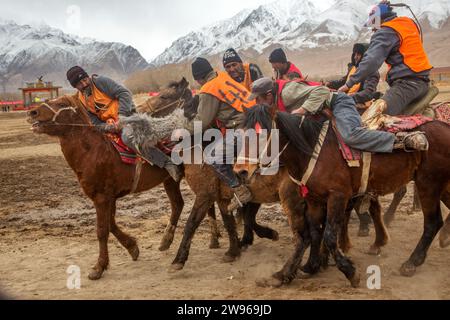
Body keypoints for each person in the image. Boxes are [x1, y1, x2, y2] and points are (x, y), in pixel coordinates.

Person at [249, 77, 429, 153]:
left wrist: (300, 111)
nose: (257, 104)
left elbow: (321, 92)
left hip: (338, 103)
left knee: (350, 135)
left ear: (269, 95)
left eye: (258, 99)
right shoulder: (277, 101)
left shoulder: (287, 93)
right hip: (324, 115)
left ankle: (399, 140)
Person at [66, 66, 181, 181]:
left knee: (128, 137)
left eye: (85, 79)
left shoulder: (100, 82)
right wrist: (107, 127)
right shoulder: (82, 99)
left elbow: (124, 93)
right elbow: (95, 121)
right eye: (80, 83)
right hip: (110, 125)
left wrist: (122, 117)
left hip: (127, 116)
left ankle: (167, 163)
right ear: (75, 86)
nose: (85, 84)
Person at [179, 57, 256, 211]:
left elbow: (202, 121)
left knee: (213, 157)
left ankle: (240, 190)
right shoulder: (222, 77)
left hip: (243, 127)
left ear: (198, 78)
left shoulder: (208, 89)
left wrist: (182, 127)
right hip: (255, 118)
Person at [338, 1, 432, 116]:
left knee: (375, 117)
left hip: (407, 85)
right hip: (422, 81)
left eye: (373, 23)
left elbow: (371, 61)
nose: (373, 29)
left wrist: (348, 84)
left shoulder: (386, 31)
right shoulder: (407, 23)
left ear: (379, 19)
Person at [327, 43, 380, 107]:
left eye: (358, 54)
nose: (355, 57)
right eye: (355, 54)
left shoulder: (371, 72)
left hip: (358, 103)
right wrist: (329, 84)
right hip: (346, 98)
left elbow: (368, 93)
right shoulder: (353, 68)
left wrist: (348, 97)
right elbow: (344, 82)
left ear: (365, 56)